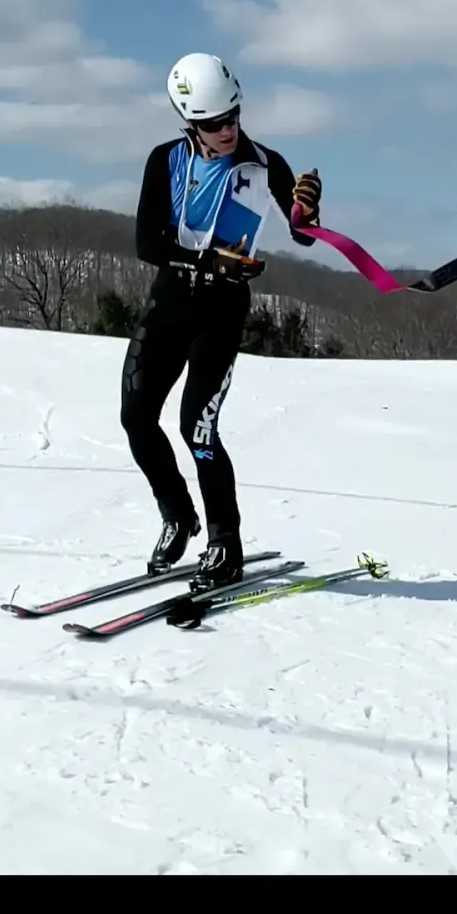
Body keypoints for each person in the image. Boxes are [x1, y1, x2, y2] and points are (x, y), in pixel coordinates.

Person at [122, 52, 322, 592]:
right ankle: (177, 516)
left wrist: (309, 213)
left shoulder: (266, 164)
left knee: (199, 428)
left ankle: (225, 544)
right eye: (214, 123)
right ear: (190, 122)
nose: (229, 129)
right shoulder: (164, 161)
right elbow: (148, 243)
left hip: (222, 308)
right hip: (171, 299)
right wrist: (203, 259)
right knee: (137, 418)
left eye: (233, 115)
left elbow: (303, 233)